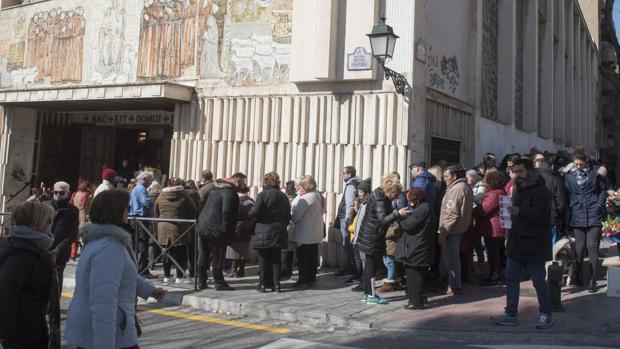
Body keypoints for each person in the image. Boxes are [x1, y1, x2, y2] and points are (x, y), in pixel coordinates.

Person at [65, 189, 166, 349]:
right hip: (107, 336)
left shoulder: (98, 241)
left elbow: (122, 274)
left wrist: (149, 290)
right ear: (116, 211)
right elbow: (103, 303)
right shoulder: (109, 247)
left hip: (99, 332)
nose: (129, 212)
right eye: (127, 208)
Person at [491, 158, 554, 329]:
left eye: (520, 171)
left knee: (538, 280)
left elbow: (542, 216)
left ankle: (545, 313)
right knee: (511, 278)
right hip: (517, 240)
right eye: (515, 172)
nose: (517, 175)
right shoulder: (517, 188)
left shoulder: (541, 190)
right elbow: (514, 214)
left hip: (534, 242)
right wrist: (507, 234)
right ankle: (511, 313)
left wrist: (520, 211)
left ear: (529, 171)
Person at [0, 201, 56, 349]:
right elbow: (6, 293)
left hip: (30, 326)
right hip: (21, 333)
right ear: (36, 223)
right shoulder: (23, 252)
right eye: (49, 221)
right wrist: (4, 334)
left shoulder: (32, 247)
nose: (52, 225)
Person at [356, 180, 410, 304]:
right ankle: (370, 295)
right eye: (395, 194)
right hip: (372, 237)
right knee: (371, 267)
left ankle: (367, 293)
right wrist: (398, 213)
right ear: (390, 191)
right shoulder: (380, 200)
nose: (396, 197)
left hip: (370, 235)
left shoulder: (379, 196)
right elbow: (382, 220)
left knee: (370, 266)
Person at [564, 152, 607, 292]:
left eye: (581, 164)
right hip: (577, 213)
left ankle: (592, 279)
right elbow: (566, 192)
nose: (578, 167)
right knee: (579, 248)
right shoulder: (569, 175)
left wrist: (599, 204)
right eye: (576, 164)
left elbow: (602, 190)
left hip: (594, 213)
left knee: (592, 247)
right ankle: (579, 275)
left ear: (586, 162)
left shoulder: (596, 174)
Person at [249, 172, 291, 293]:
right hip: (278, 230)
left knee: (263, 258)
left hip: (263, 230)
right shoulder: (283, 196)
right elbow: (287, 216)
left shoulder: (262, 195)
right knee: (276, 258)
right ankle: (277, 284)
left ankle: (263, 284)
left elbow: (253, 212)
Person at [196, 177, 240, 291]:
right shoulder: (229, 192)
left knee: (203, 255)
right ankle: (219, 282)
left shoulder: (214, 191)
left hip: (203, 227)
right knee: (218, 257)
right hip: (216, 230)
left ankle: (201, 281)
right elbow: (227, 211)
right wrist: (225, 228)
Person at [396, 188, 435, 310]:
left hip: (417, 247)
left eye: (410, 200)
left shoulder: (422, 209)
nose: (409, 203)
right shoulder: (425, 207)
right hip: (420, 245)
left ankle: (416, 302)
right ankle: (419, 299)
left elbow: (408, 225)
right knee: (418, 275)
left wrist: (401, 217)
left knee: (413, 275)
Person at [155, 177, 198, 285]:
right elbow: (193, 211)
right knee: (181, 252)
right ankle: (179, 277)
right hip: (180, 228)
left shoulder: (160, 195)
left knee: (165, 252)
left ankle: (167, 277)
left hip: (163, 228)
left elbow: (155, 212)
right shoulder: (184, 195)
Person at [438, 165, 473, 295]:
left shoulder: (456, 189)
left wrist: (443, 232)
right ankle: (451, 283)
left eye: (446, 176)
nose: (444, 179)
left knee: (451, 259)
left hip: (452, 230)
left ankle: (454, 286)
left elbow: (451, 213)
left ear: (454, 176)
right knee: (452, 258)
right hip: (457, 228)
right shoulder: (464, 186)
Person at [290, 175, 325, 288]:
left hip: (305, 231)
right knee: (312, 255)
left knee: (303, 257)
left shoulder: (306, 198)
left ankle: (303, 279)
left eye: (301, 185)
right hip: (315, 231)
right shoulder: (318, 195)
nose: (298, 187)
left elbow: (296, 217)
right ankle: (311, 278)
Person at [473, 170, 506, 286]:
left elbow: (484, 210)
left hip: (492, 228)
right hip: (496, 226)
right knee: (494, 253)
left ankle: (494, 277)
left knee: (493, 254)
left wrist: (473, 210)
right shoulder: (500, 192)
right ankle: (494, 275)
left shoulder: (494, 194)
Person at [46, 181, 79, 294]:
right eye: (55, 192)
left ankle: (53, 310)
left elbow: (72, 234)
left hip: (60, 251)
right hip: (43, 249)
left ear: (68, 193)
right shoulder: (45, 206)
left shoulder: (73, 211)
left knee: (56, 281)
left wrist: (58, 250)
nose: (58, 195)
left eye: (61, 193)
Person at [226, 172, 253, 278]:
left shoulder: (235, 200)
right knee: (244, 249)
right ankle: (241, 270)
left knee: (234, 250)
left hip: (236, 226)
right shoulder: (250, 200)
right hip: (247, 226)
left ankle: (233, 270)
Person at [536, 156, 567, 245]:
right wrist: (560, 216)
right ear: (552, 166)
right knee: (551, 245)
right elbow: (561, 202)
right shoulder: (555, 179)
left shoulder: (534, 178)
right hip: (552, 217)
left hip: (536, 215)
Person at [129, 171, 155, 279]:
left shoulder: (136, 188)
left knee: (139, 246)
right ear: (145, 179)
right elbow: (146, 202)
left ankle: (142, 270)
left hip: (136, 219)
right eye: (150, 180)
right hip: (140, 219)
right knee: (142, 246)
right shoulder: (141, 189)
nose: (151, 183)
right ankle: (142, 271)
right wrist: (152, 202)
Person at [335, 166, 360, 277]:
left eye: (344, 173)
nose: (342, 175)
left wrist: (347, 220)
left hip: (346, 219)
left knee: (347, 244)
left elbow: (350, 205)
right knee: (349, 244)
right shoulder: (355, 184)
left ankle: (350, 268)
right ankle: (351, 267)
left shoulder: (350, 186)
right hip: (349, 218)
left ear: (349, 174)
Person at [350, 178, 372, 291]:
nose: (359, 194)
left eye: (361, 192)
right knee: (362, 261)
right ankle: (364, 283)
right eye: (358, 192)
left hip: (364, 239)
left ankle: (365, 284)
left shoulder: (368, 204)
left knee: (365, 263)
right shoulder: (362, 204)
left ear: (367, 192)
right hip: (358, 237)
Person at [69, 180, 91, 260]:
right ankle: (83, 253)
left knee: (75, 234)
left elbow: (71, 203)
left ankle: (73, 253)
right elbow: (87, 206)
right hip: (82, 214)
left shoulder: (74, 194)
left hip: (75, 213)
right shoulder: (85, 195)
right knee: (82, 235)